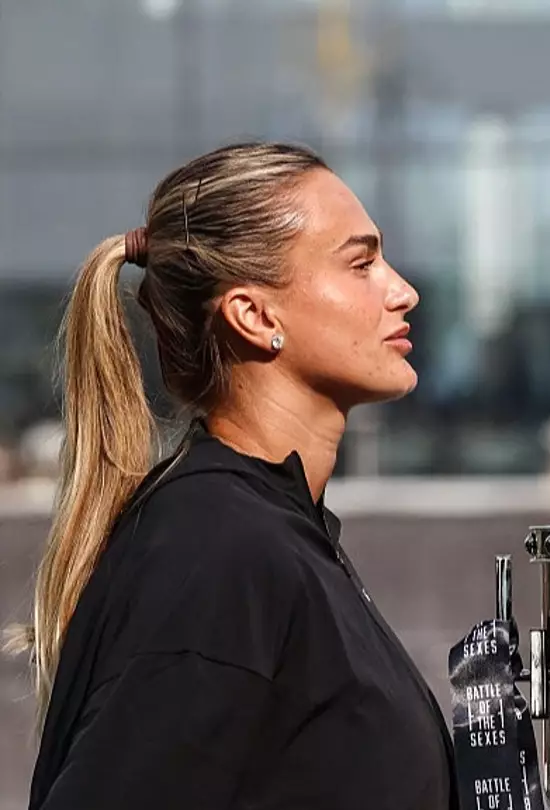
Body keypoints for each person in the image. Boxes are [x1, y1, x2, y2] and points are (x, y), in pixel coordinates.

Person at [4, 142, 455, 809]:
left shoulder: (268, 534)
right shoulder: (219, 552)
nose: (403, 291)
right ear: (255, 315)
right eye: (361, 264)